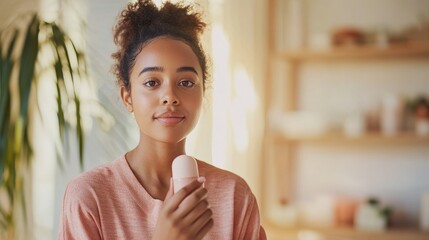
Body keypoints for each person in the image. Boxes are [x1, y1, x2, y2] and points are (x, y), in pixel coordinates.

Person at [58, 0, 266, 239]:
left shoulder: (234, 196)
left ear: (202, 94)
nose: (170, 97)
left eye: (186, 82)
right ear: (127, 97)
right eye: (152, 83)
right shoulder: (89, 197)